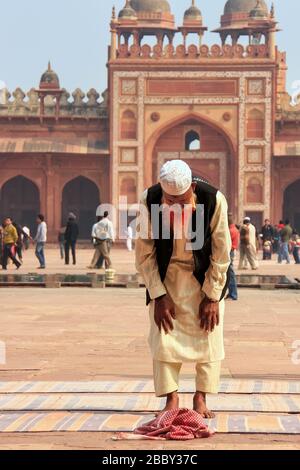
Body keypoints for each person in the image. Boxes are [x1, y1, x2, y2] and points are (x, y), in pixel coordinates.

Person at [135, 160, 231, 418]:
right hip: (168, 278)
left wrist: (212, 295)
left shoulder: (213, 200)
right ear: (162, 192)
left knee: (209, 336)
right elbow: (144, 253)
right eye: (170, 200)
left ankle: (201, 397)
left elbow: (222, 251)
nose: (175, 205)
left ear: (192, 189)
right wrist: (158, 294)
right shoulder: (150, 199)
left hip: (205, 275)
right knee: (163, 337)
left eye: (181, 199)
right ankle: (171, 398)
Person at [227, 213, 239, 301]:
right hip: (230, 251)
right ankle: (231, 293)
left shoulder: (230, 231)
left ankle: (233, 294)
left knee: (230, 273)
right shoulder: (234, 229)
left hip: (229, 251)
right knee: (228, 273)